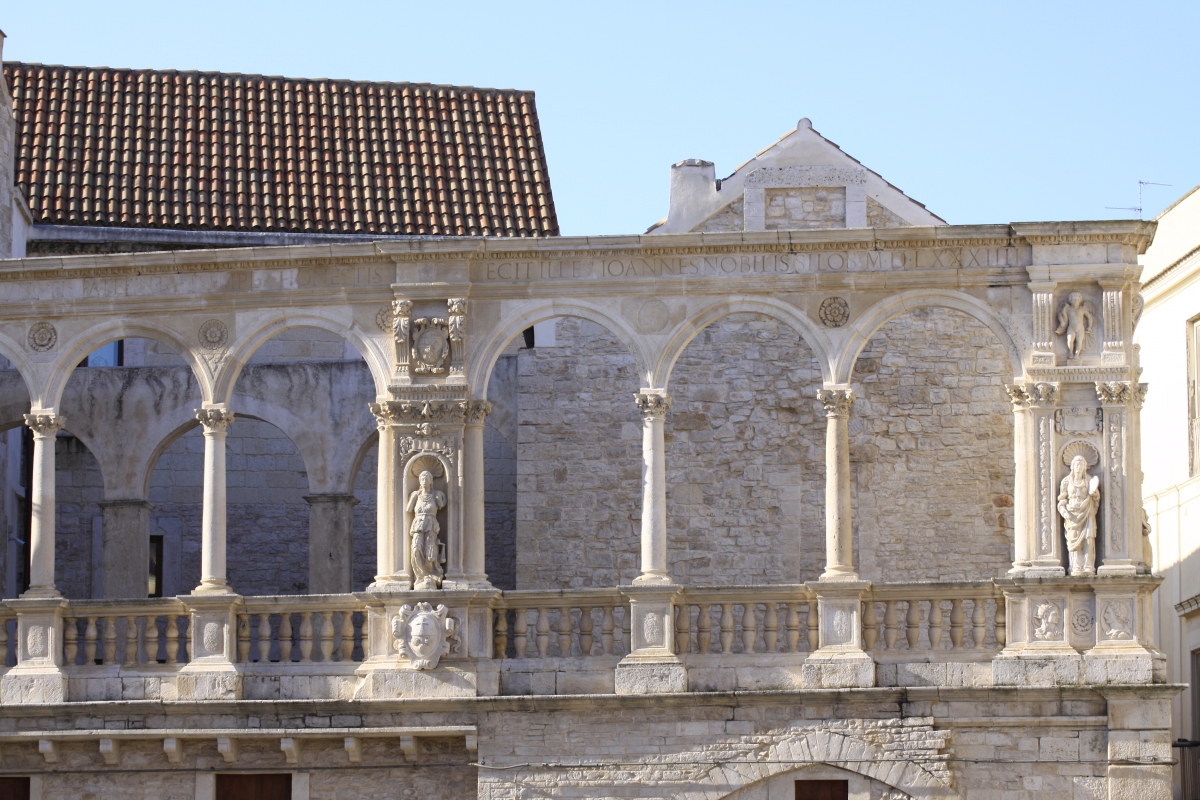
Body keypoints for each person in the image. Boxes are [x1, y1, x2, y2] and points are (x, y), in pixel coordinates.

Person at [1058, 455, 1100, 575]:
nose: (1079, 467)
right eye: (1077, 464)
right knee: (1073, 539)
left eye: (1081, 465)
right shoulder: (1066, 481)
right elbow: (1062, 501)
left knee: (1089, 539)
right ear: (1072, 466)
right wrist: (1065, 512)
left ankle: (1088, 566)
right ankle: (1075, 566)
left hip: (1087, 512)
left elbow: (1096, 498)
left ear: (1085, 467)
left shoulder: (1089, 480)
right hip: (1072, 515)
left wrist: (1094, 493)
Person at [407, 470, 446, 589]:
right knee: (416, 550)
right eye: (422, 478)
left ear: (431, 481)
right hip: (418, 525)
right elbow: (409, 509)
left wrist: (440, 497)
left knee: (430, 553)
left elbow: (441, 505)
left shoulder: (436, 495)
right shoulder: (415, 495)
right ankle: (420, 576)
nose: (424, 480)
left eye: (426, 478)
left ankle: (430, 576)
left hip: (431, 525)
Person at [1055, 292, 1096, 359]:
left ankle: (1077, 354)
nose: (1075, 301)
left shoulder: (1082, 309)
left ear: (1080, 300)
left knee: (1079, 341)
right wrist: (1062, 322)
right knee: (1070, 340)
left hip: (1080, 329)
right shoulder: (1068, 309)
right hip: (1071, 328)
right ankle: (1070, 353)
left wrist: (1089, 327)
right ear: (1070, 300)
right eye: (1074, 300)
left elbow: (1089, 318)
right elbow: (1060, 315)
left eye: (1077, 300)